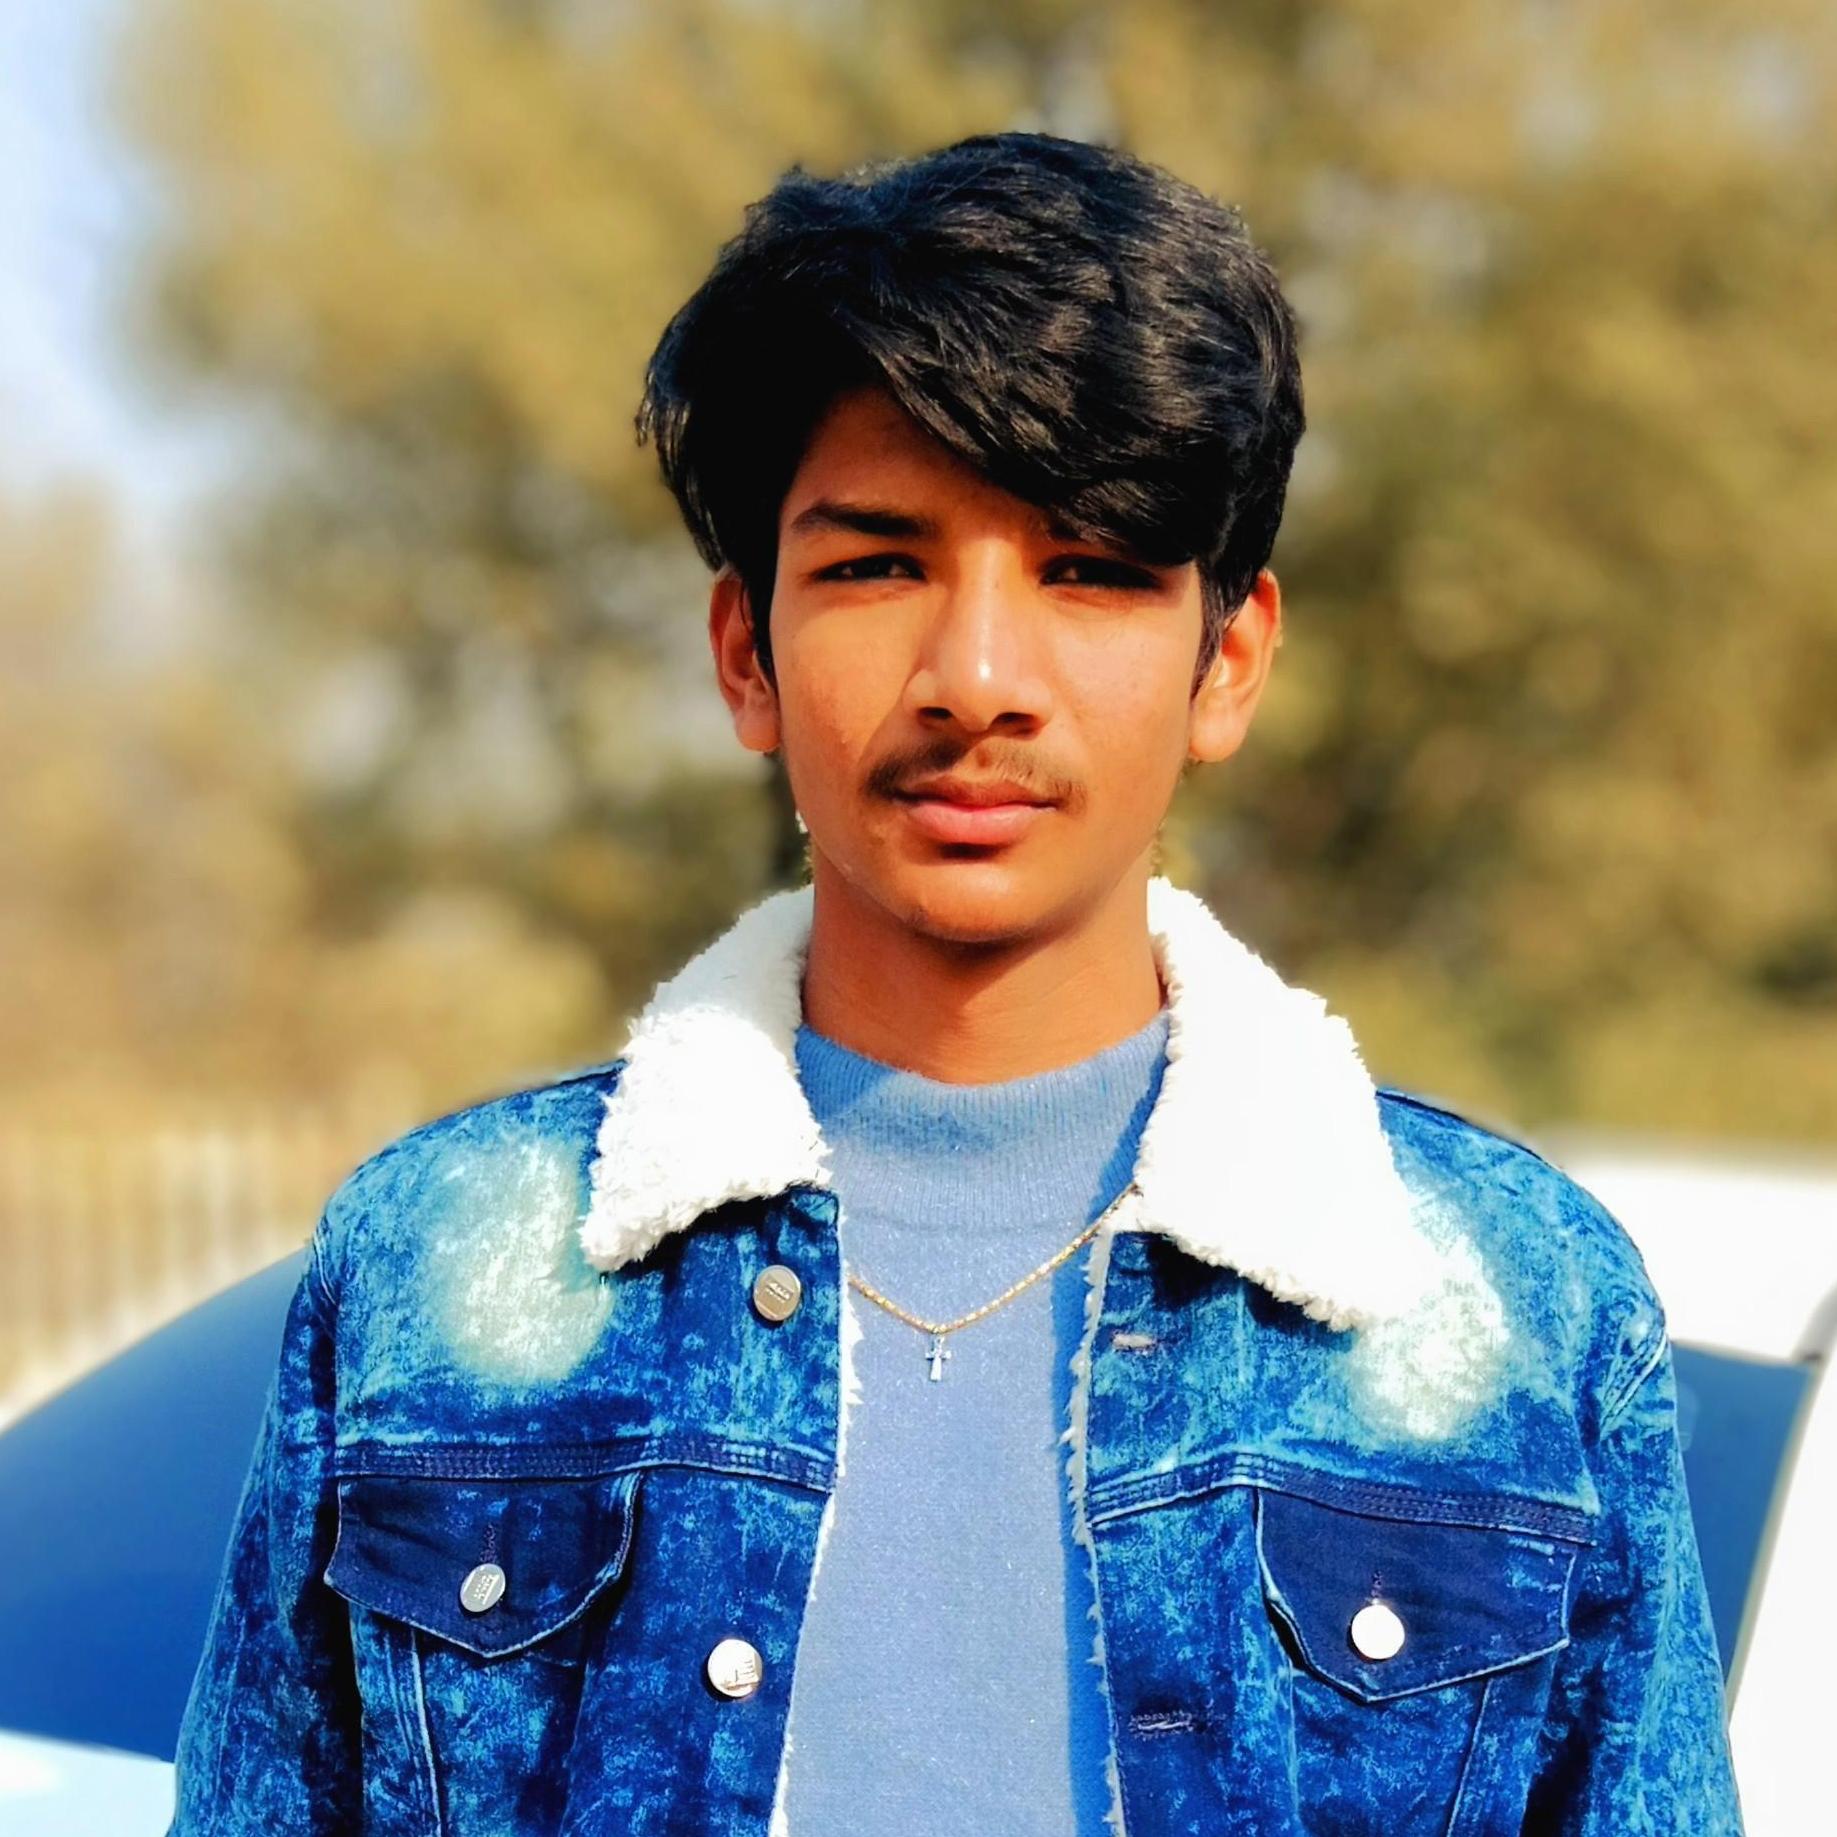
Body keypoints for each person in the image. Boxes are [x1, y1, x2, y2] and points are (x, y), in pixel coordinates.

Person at [168, 131, 1742, 1836]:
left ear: (1226, 661)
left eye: (1089, 570)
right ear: (745, 653)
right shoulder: (441, 1271)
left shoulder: (1513, 1307)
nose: (976, 677)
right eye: (874, 564)